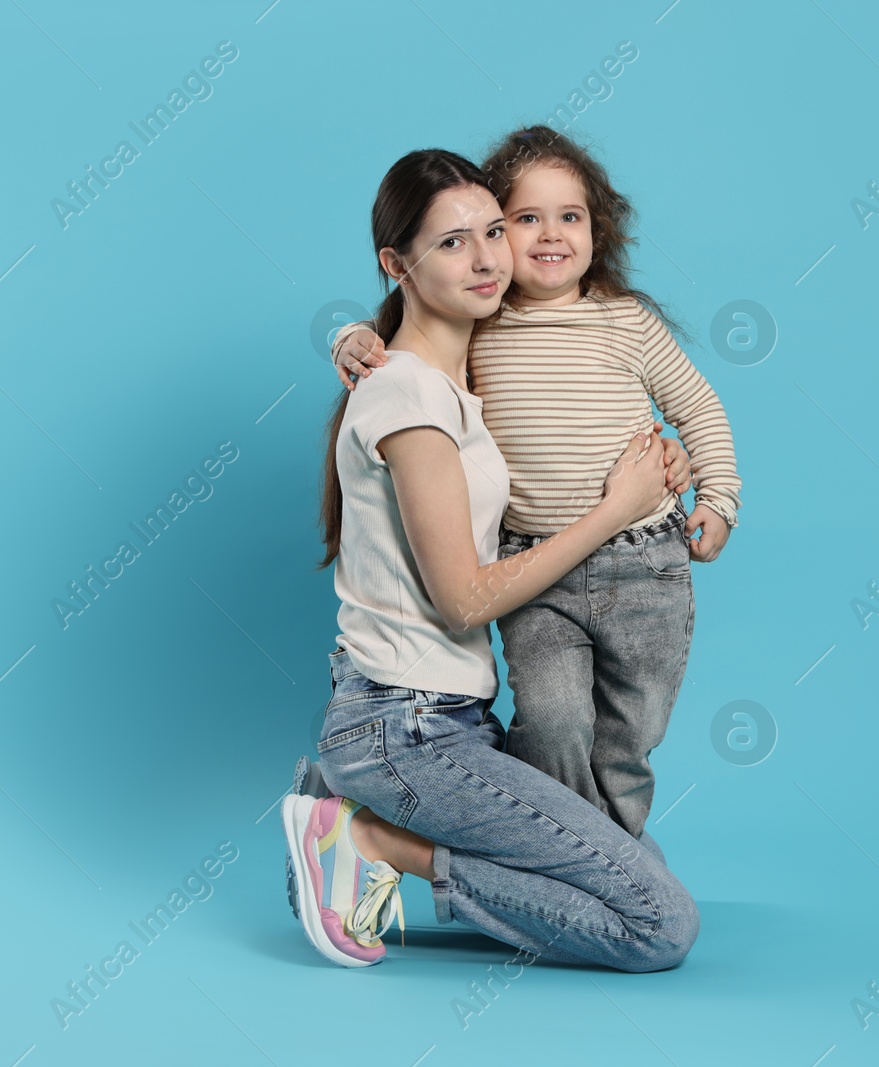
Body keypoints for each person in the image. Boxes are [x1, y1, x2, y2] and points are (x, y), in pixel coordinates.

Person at [283, 147, 699, 972]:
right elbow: (467, 600)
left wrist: (660, 469)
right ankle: (367, 837)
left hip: (454, 721)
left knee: (635, 874)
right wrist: (615, 509)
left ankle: (365, 819)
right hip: (403, 728)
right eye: (451, 242)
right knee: (658, 925)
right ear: (396, 263)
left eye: (493, 232)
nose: (484, 258)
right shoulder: (410, 399)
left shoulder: (457, 373)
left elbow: (562, 406)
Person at [331, 125, 741, 839]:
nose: (549, 234)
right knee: (552, 721)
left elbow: (698, 406)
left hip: (645, 563)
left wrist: (718, 498)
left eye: (571, 217)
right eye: (525, 220)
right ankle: (571, 856)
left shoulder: (626, 322)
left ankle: (615, 856)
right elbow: (410, 321)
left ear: (598, 229)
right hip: (537, 570)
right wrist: (351, 337)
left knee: (628, 738)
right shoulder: (486, 320)